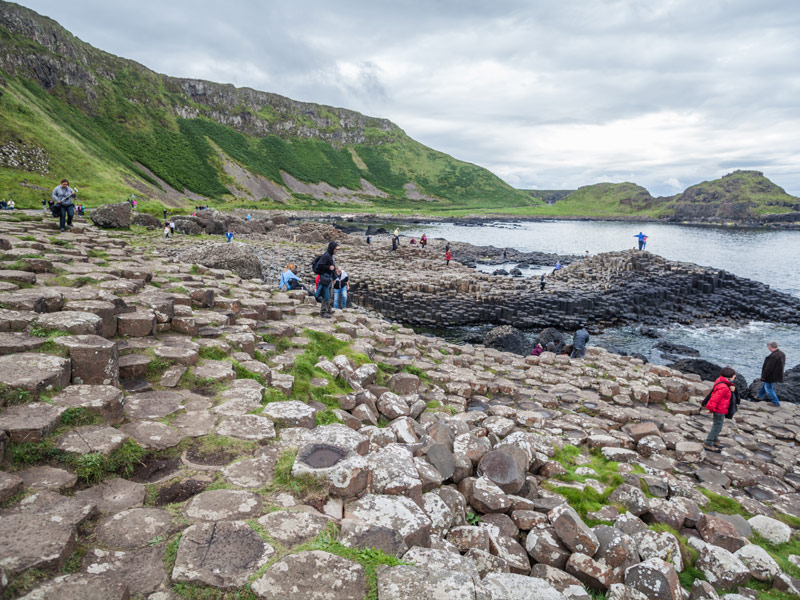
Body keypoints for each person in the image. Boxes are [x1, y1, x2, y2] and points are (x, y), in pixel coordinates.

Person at [703, 367, 737, 452]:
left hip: (721, 408)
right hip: (720, 409)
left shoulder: (720, 380)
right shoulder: (724, 387)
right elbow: (715, 398)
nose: (735, 376)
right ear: (729, 376)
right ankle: (708, 442)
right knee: (717, 426)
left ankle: (715, 440)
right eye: (733, 375)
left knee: (718, 425)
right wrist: (711, 409)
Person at [756, 341, 786, 406]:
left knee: (769, 388)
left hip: (771, 376)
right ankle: (760, 395)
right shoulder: (782, 354)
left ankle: (775, 402)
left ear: (770, 347)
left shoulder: (773, 356)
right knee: (765, 385)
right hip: (778, 374)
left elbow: (769, 368)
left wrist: (763, 376)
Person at [315, 241, 339, 317]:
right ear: (332, 248)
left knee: (330, 294)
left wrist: (335, 277)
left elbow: (333, 267)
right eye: (335, 249)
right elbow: (319, 265)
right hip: (325, 278)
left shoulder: (331, 255)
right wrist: (328, 267)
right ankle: (323, 312)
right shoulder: (326, 256)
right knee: (326, 295)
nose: (336, 251)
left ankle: (328, 309)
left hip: (330, 278)